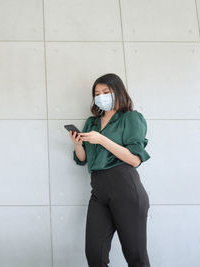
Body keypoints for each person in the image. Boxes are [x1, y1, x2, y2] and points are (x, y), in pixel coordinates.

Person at [69, 73, 151, 267]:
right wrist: (78, 144)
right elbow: (83, 160)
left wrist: (102, 140)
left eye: (106, 92)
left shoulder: (131, 118)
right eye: (97, 93)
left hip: (125, 188)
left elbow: (134, 159)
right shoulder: (92, 122)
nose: (101, 96)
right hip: (98, 191)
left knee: (135, 256)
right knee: (94, 255)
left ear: (118, 92)